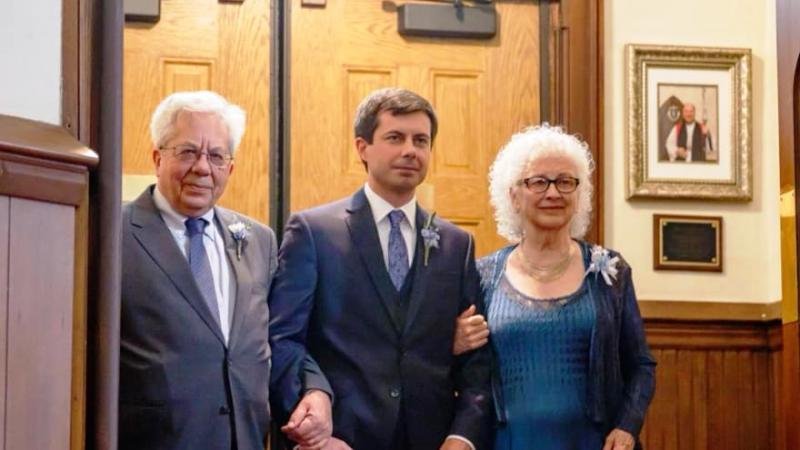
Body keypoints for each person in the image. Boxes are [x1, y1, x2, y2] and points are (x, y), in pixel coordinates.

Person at [269, 87, 494, 450]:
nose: (410, 150)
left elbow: (477, 364)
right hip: (340, 438)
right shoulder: (314, 232)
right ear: (363, 147)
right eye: (395, 138)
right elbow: (283, 339)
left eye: (421, 140)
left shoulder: (456, 244)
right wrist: (314, 427)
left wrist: (462, 436)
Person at [120, 91, 331, 450]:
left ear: (229, 168)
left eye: (216, 156)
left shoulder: (259, 240)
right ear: (157, 157)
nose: (202, 167)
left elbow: (277, 338)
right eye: (187, 152)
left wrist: (314, 389)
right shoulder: (114, 231)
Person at [456, 125, 656, 450]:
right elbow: (465, 375)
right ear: (513, 196)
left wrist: (627, 427)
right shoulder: (482, 276)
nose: (553, 193)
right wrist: (453, 344)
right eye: (538, 182)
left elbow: (641, 366)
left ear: (579, 195)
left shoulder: (611, 272)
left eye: (565, 182)